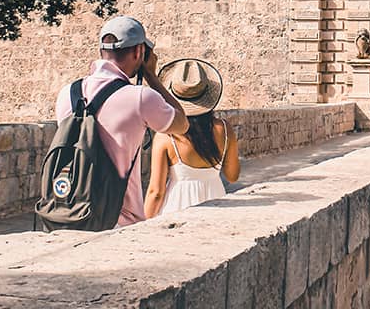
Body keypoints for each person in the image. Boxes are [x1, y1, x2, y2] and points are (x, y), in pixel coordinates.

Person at [53, 16, 189, 227]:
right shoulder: (141, 98)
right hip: (118, 221)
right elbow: (182, 124)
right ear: (139, 52)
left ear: (101, 51)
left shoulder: (67, 94)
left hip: (68, 214)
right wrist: (152, 77)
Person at [145, 59, 241, 218]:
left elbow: (156, 192)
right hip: (216, 199)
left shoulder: (166, 136)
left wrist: (144, 224)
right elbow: (232, 176)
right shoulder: (224, 129)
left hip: (178, 205)